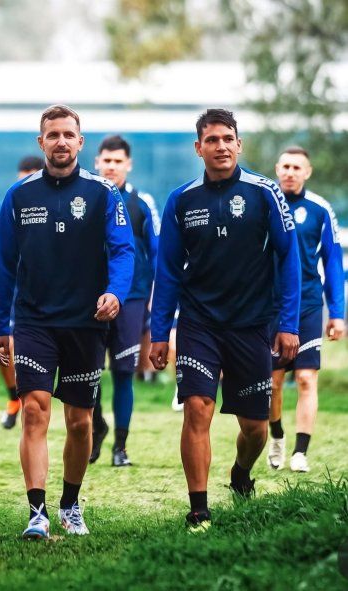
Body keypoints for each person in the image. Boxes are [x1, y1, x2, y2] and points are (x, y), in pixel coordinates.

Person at [149, 108, 301, 532]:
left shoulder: (264, 192)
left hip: (253, 324)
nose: (220, 146)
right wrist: (161, 332)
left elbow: (290, 258)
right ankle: (198, 510)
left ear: (239, 144)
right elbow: (168, 270)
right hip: (199, 324)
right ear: (198, 148)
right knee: (197, 407)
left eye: (227, 138)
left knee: (254, 427)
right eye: (211, 140)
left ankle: (240, 473)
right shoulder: (182, 199)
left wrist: (288, 323)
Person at [0, 104, 135, 539]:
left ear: (80, 142)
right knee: (35, 411)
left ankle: (71, 504)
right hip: (34, 321)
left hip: (86, 322)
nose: (61, 142)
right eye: (52, 135)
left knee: (79, 421)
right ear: (41, 142)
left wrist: (116, 292)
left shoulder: (104, 193)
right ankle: (37, 512)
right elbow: (4, 264)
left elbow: (124, 250)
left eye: (68, 135)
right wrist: (0, 324)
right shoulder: (19, 195)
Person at [267, 146, 345, 472]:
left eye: (297, 167)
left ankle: (301, 452)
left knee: (305, 379)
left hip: (309, 305)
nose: (290, 172)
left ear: (307, 172)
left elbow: (333, 262)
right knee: (271, 383)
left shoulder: (320, 209)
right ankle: (276, 436)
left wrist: (338, 313)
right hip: (270, 306)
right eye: (285, 166)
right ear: (277, 169)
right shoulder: (264, 203)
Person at [91, 135, 159, 466]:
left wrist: (156, 294)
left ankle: (121, 446)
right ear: (97, 162)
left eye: (118, 161)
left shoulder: (142, 202)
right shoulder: (86, 196)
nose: (112, 166)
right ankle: (95, 427)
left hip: (131, 299)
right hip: (88, 300)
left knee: (122, 372)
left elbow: (158, 251)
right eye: (107, 160)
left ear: (128, 165)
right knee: (88, 372)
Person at [0, 155, 46, 429]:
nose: (27, 176)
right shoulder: (13, 202)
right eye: (23, 171)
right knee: (7, 347)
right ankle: (14, 395)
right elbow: (1, 255)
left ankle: (25, 397)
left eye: (33, 171)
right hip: (13, 292)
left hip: (40, 296)